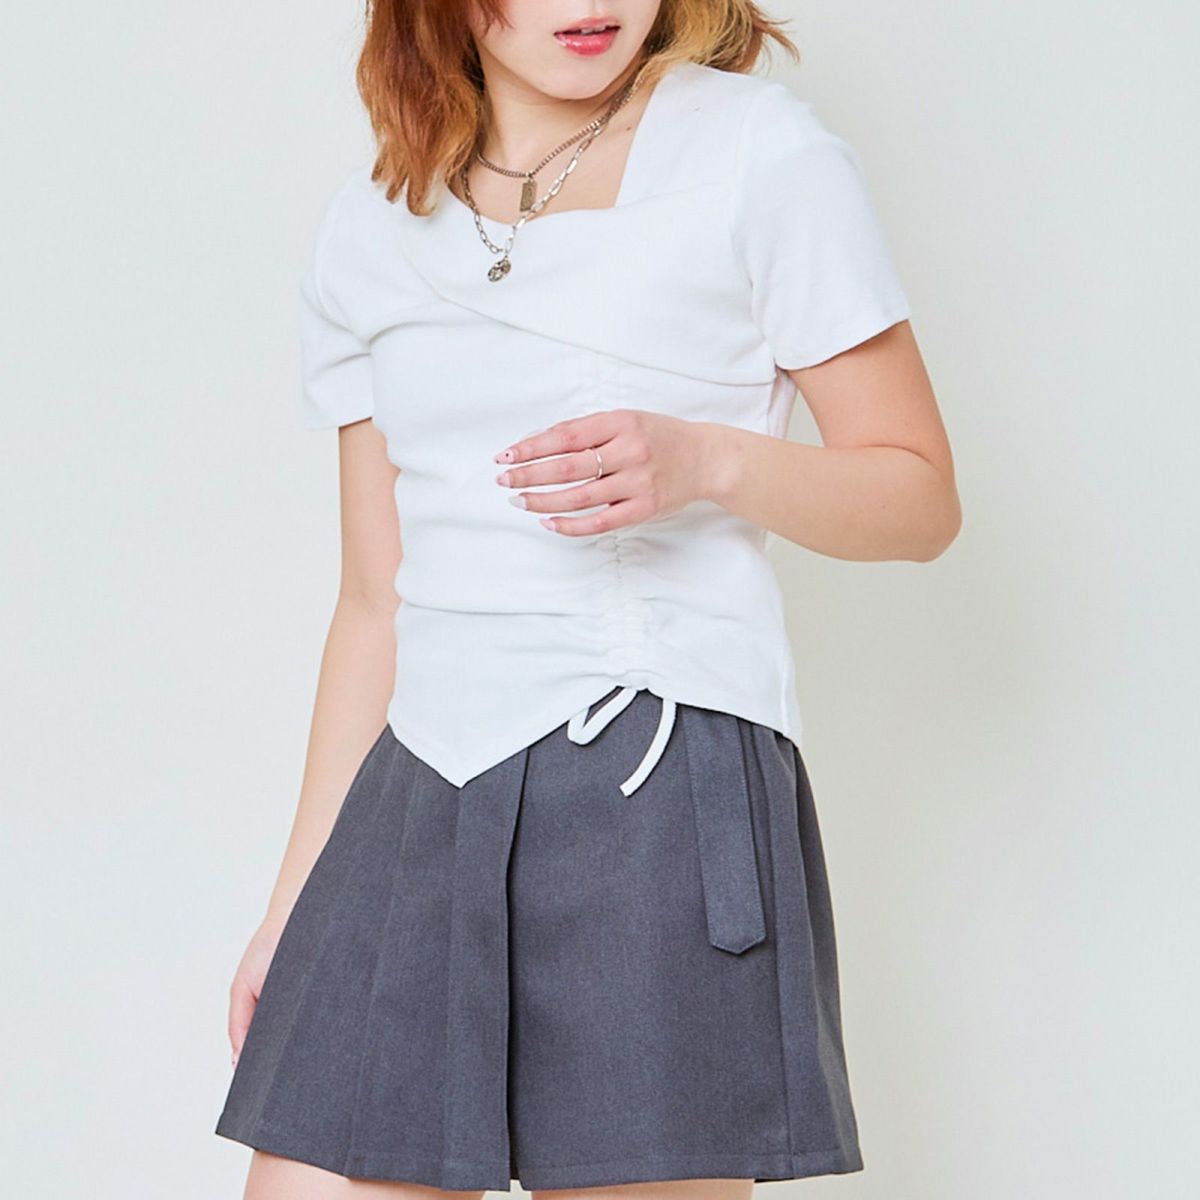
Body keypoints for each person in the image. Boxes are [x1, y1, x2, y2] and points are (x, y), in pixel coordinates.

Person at [214, 2, 960, 1197]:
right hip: (422, 781)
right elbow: (372, 603)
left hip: (653, 776)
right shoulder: (374, 223)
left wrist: (709, 462)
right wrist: (293, 904)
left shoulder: (756, 153)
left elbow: (920, 498)